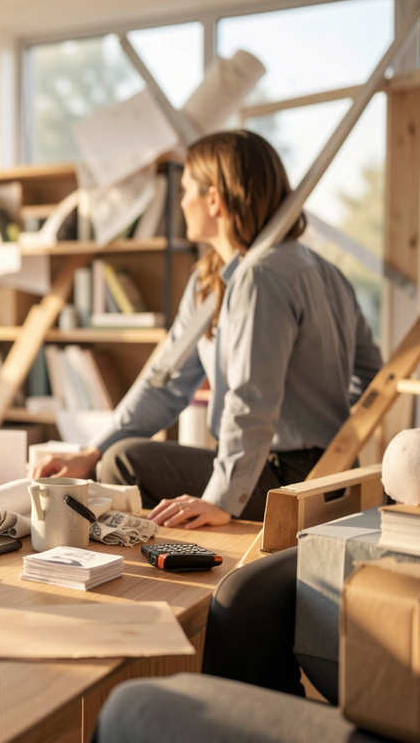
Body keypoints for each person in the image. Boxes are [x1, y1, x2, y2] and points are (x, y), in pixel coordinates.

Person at [28, 130, 382, 527]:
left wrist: (222, 499)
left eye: (185, 191)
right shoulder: (227, 279)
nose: (181, 202)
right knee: (113, 457)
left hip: (294, 479)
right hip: (317, 469)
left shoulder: (262, 277)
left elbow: (251, 401)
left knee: (125, 465)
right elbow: (164, 382)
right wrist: (91, 451)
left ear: (213, 199)